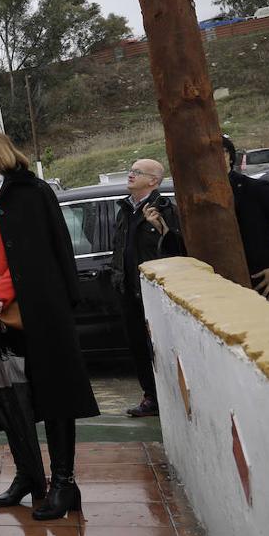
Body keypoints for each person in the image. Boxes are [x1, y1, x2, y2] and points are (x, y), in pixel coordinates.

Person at [0, 130, 100, 522]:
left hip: (34, 310)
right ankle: (28, 475)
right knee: (9, 399)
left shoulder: (29, 193)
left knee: (53, 397)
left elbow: (36, 257)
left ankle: (64, 482)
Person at [110, 159, 185, 417]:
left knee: (160, 348)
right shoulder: (125, 209)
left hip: (153, 292)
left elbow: (177, 250)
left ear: (153, 180)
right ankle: (150, 397)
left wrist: (161, 228)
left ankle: (167, 397)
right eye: (130, 170)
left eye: (137, 172)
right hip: (128, 290)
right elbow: (119, 247)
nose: (130, 175)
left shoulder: (163, 208)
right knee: (138, 348)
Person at [224, 135, 269, 302]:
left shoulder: (255, 189)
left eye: (221, 152)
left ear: (230, 157)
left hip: (265, 283)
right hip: (224, 286)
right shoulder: (199, 198)